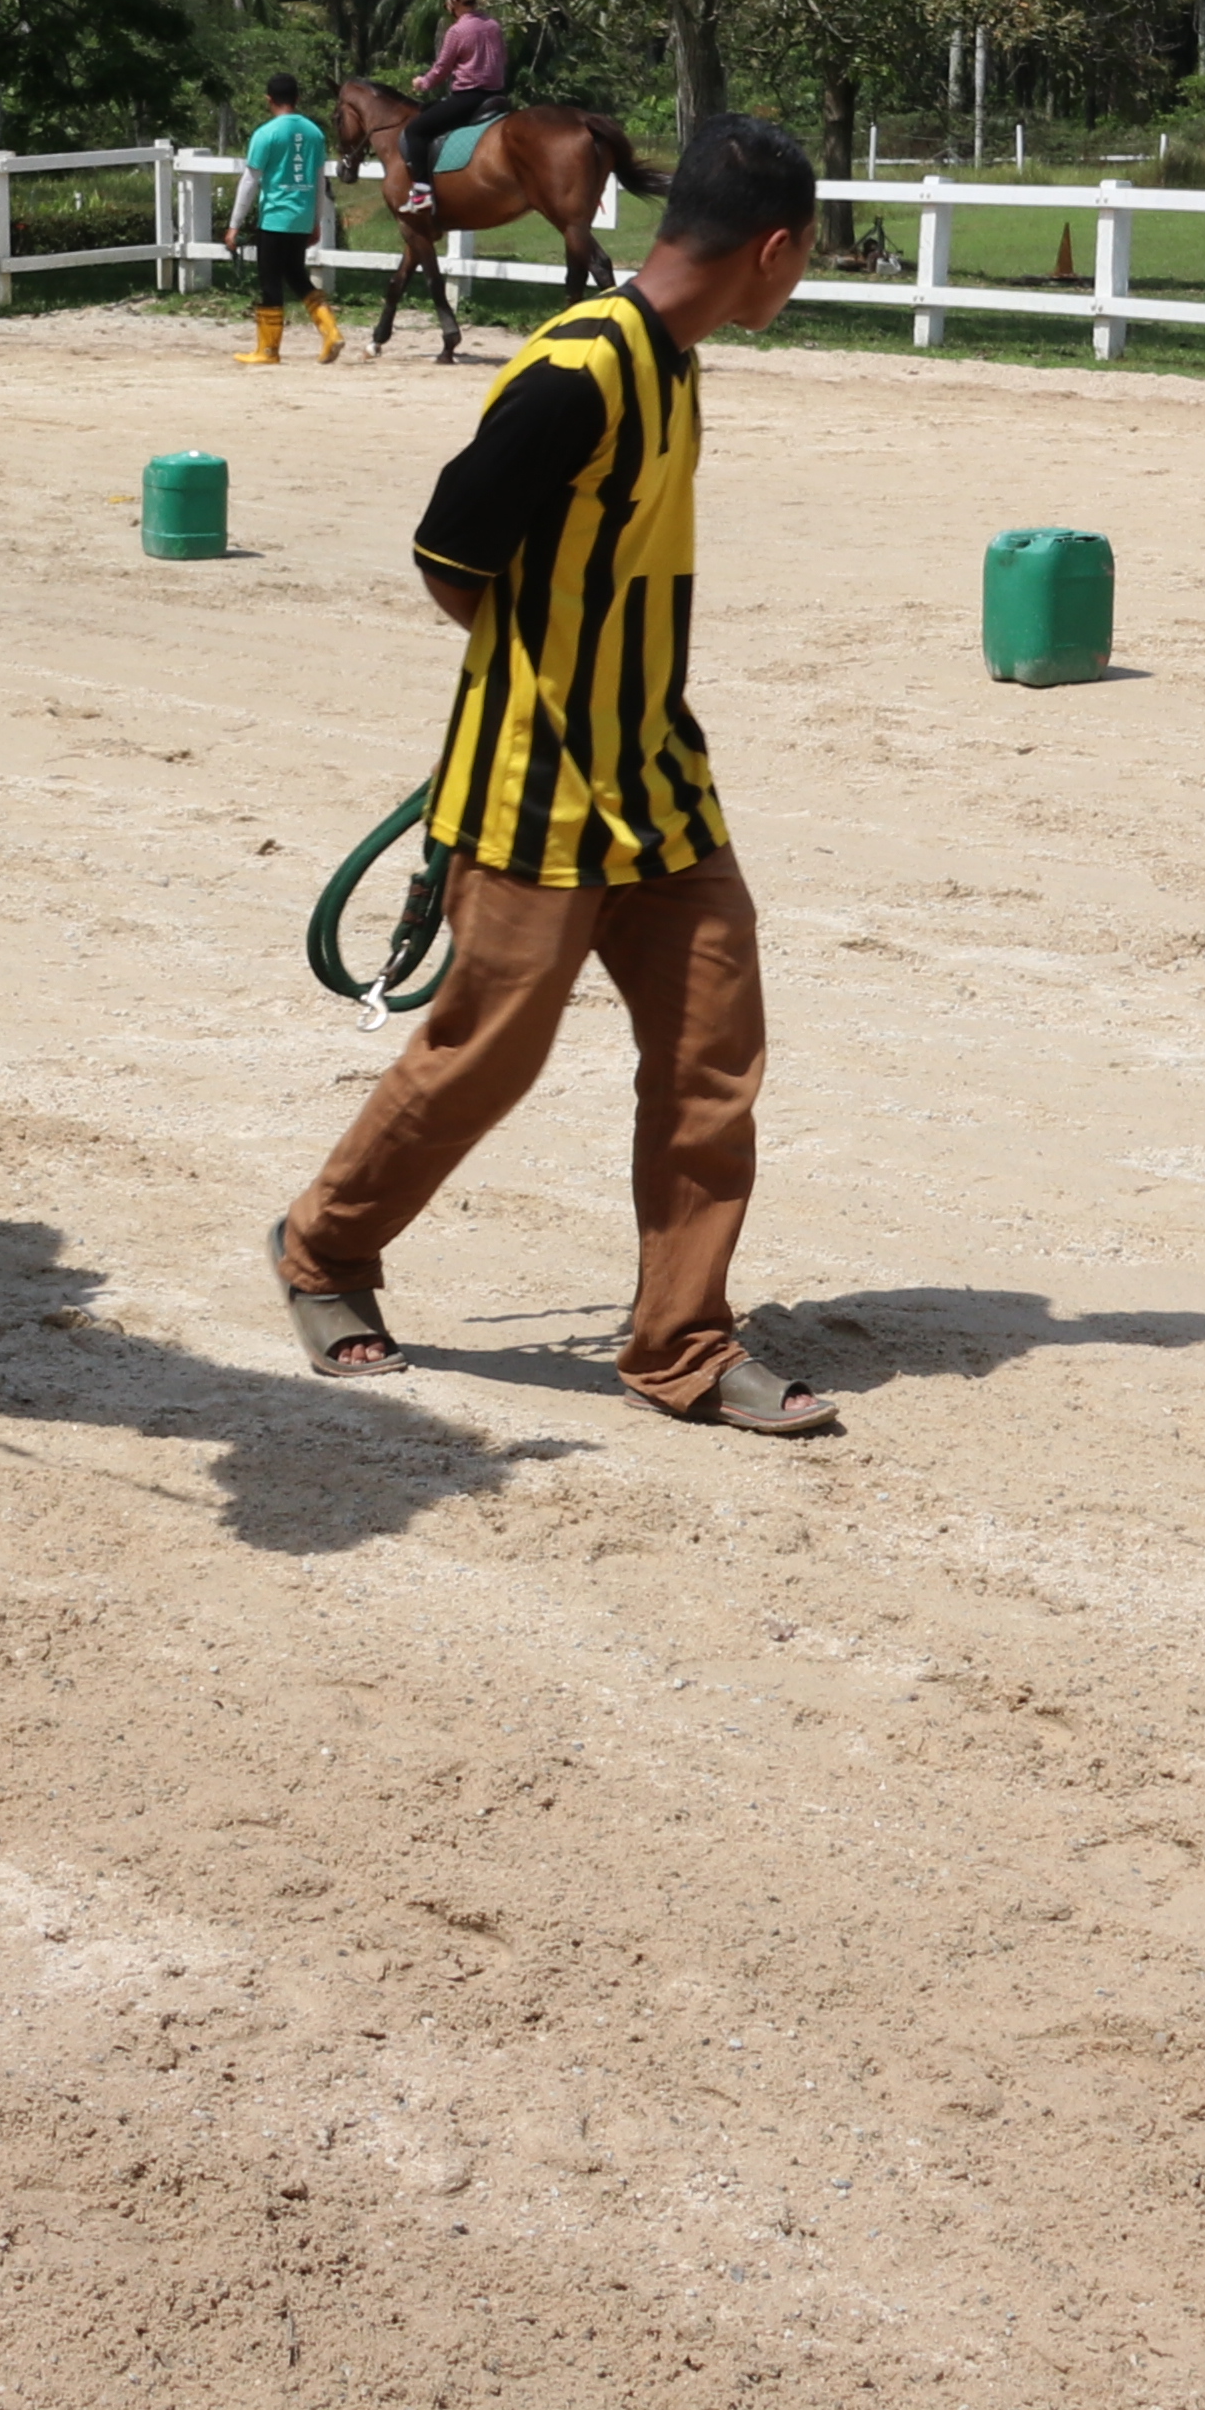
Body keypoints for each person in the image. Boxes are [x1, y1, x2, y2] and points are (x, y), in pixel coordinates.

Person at [269, 112, 842, 1435]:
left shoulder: (677, 361)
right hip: (534, 789)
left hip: (661, 789)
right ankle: (322, 1249)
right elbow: (445, 556)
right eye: (804, 257)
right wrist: (553, 679)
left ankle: (683, 1346)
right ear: (772, 249)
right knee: (483, 1060)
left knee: (713, 1060)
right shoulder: (577, 373)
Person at [235, 69, 342, 365]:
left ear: (269, 100)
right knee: (295, 274)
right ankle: (330, 330)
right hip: (302, 217)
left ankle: (268, 350)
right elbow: (321, 182)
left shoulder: (265, 134)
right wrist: (317, 221)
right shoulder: (315, 133)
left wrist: (234, 225)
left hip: (274, 218)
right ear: (297, 98)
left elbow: (249, 181)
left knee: (270, 281)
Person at [393, 0, 510, 220]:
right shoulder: (493, 25)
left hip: (469, 97)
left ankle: (422, 191)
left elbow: (442, 69)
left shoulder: (458, 31)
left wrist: (422, 83)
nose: (446, 3)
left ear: (455, 0)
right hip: (496, 95)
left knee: (416, 130)